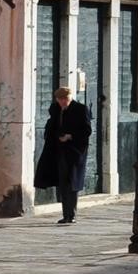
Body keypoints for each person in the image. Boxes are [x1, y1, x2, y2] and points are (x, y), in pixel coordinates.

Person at [35, 73, 94, 224]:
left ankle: (72, 214)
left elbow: (86, 131)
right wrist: (56, 136)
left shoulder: (81, 109)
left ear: (70, 98)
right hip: (58, 150)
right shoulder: (55, 109)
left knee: (71, 182)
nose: (63, 102)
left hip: (74, 152)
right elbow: (51, 126)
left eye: (65, 99)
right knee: (62, 181)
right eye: (60, 100)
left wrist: (70, 136)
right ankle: (65, 214)